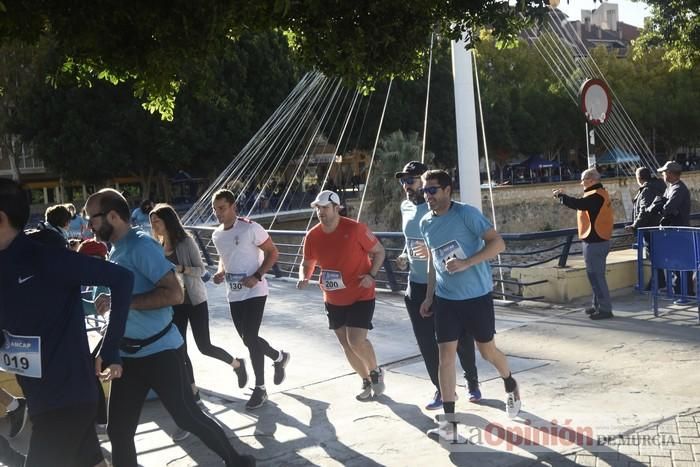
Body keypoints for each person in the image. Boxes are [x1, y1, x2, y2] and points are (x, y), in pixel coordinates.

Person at [85, 188, 254, 467]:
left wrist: (124, 302)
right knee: (118, 431)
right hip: (129, 357)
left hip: (161, 352)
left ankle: (237, 461)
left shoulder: (140, 246)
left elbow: (175, 294)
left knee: (188, 417)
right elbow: (120, 303)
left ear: (113, 216)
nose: (88, 225)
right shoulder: (116, 249)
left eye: (92, 218)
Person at [0, 178, 134, 467]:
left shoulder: (46, 258)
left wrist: (111, 350)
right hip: (41, 399)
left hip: (67, 398)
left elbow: (122, 279)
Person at [417, 170, 521, 441]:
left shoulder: (466, 214)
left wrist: (467, 262)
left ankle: (510, 382)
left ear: (448, 190)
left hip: (477, 297)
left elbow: (498, 243)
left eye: (432, 190)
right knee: (446, 358)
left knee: (487, 352)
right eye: (425, 191)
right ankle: (449, 424)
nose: (427, 196)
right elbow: (433, 262)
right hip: (447, 300)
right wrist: (429, 296)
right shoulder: (426, 222)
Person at [394, 161, 482, 410]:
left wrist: (432, 252)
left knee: (459, 338)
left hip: (443, 285)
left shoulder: (438, 209)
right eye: (403, 181)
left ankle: (472, 381)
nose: (406, 185)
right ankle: (441, 390)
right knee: (426, 342)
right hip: (416, 283)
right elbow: (409, 240)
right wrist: (404, 255)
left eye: (411, 180)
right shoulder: (405, 207)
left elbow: (446, 241)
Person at [149, 203, 248, 399]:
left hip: (195, 301)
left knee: (204, 346)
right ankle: (192, 389)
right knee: (180, 349)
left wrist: (180, 268)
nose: (154, 226)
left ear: (168, 221)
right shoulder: (157, 247)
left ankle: (237, 364)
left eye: (157, 221)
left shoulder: (186, 242)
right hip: (174, 304)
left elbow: (202, 270)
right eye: (152, 222)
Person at [297, 190, 387, 400]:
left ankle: (375, 372)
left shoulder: (355, 229)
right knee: (346, 344)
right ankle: (365, 380)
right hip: (333, 297)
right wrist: (304, 276)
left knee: (356, 340)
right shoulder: (312, 235)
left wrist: (371, 275)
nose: (321, 212)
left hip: (360, 294)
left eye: (325, 208)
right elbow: (307, 263)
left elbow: (380, 252)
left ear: (337, 208)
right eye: (318, 208)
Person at [211, 189, 290, 410]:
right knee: (248, 339)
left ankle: (260, 388)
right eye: (215, 209)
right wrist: (220, 271)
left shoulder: (250, 227)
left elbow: (273, 252)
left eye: (222, 208)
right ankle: (278, 357)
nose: (218, 213)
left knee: (251, 337)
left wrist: (257, 275)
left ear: (233, 206)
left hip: (255, 291)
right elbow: (224, 258)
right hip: (233, 293)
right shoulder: (217, 234)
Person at [553, 168, 614, 320]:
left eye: (583, 180)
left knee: (597, 276)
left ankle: (605, 309)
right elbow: (581, 204)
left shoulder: (596, 196)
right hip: (596, 240)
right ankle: (597, 305)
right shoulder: (599, 193)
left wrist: (561, 196)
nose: (581, 183)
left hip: (596, 242)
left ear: (592, 180)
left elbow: (578, 204)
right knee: (594, 276)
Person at [652, 161, 692, 299]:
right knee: (675, 262)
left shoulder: (678, 189)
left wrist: (659, 207)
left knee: (681, 262)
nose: (662, 175)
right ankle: (678, 290)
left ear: (669, 173)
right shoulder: (671, 188)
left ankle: (684, 292)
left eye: (664, 172)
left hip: (679, 232)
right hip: (673, 231)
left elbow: (666, 208)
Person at [624, 167, 666, 289]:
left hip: (649, 228)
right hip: (657, 226)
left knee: (653, 256)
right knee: (657, 255)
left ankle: (657, 283)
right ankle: (659, 281)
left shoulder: (647, 190)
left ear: (639, 178)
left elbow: (644, 211)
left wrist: (634, 225)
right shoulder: (659, 186)